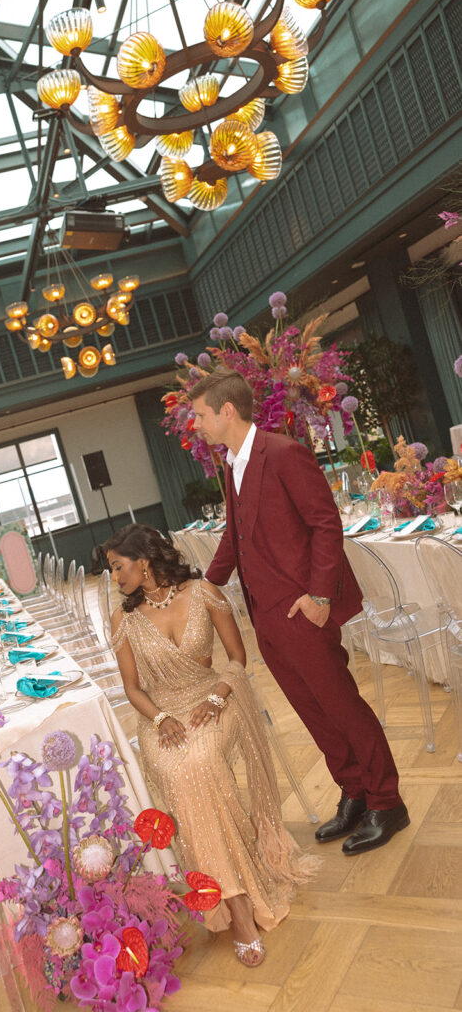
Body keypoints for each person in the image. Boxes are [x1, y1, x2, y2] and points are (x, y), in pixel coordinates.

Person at [190, 367, 409, 855]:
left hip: (303, 609)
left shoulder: (285, 453)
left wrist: (320, 597)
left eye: (201, 415)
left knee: (341, 705)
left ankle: (387, 800)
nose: (197, 425)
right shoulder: (232, 464)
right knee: (312, 711)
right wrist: (204, 588)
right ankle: (354, 791)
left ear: (228, 410)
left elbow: (325, 525)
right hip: (265, 615)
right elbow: (236, 533)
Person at [106, 523, 318, 967]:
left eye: (118, 567)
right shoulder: (125, 619)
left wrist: (218, 696)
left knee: (199, 764)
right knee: (183, 772)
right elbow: (132, 689)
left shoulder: (204, 593)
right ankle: (237, 901)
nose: (114, 579)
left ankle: (233, 902)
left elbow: (238, 658)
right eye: (111, 571)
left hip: (215, 699)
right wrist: (161, 719)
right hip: (160, 716)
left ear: (143, 561)